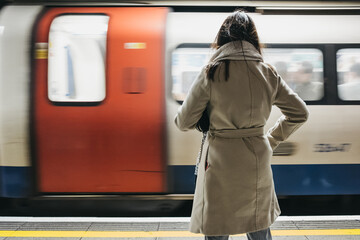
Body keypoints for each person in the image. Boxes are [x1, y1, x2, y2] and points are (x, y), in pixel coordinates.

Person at [174, 10, 309, 240]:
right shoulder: (268, 73)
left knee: (217, 227)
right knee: (258, 227)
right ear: (253, 39)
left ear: (222, 39)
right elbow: (300, 113)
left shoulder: (210, 73)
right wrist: (271, 138)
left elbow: (184, 122)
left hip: (218, 162)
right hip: (257, 156)